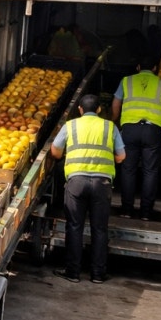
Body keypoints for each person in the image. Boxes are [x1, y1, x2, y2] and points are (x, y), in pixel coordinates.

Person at [50, 94, 125, 284]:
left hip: (76, 182)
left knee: (75, 226)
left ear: (80, 110)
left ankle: (73, 272)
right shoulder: (110, 127)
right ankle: (98, 274)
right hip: (102, 184)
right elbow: (121, 156)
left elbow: (55, 151)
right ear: (99, 109)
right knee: (100, 228)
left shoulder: (71, 126)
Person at [111, 56, 161, 221]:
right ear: (155, 68)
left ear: (138, 67)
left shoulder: (126, 81)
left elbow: (116, 103)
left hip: (130, 129)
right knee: (150, 171)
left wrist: (116, 120)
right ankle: (146, 213)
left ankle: (126, 210)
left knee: (128, 169)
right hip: (153, 130)